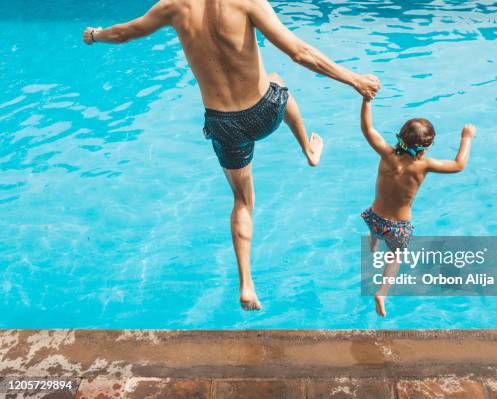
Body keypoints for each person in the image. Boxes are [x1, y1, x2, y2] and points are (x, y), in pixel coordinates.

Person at [82, 0, 380, 311]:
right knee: (277, 81)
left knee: (242, 202)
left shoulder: (172, 7)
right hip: (265, 112)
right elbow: (299, 52)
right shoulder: (247, 2)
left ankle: (247, 285)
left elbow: (124, 33)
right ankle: (307, 146)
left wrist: (95, 35)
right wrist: (354, 79)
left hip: (224, 126)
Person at [359, 98, 476, 317]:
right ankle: (382, 293)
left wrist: (367, 100)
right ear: (424, 150)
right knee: (395, 257)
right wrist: (466, 138)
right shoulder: (424, 165)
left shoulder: (386, 153)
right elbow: (459, 165)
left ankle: (373, 245)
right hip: (397, 226)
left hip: (374, 216)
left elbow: (367, 129)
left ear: (400, 137)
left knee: (376, 228)